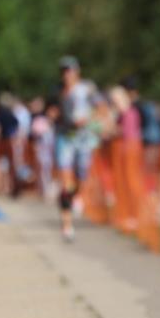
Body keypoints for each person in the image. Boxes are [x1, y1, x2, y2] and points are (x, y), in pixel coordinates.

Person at [55, 56, 99, 241]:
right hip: (65, 138)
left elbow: (101, 107)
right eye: (63, 71)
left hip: (83, 140)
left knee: (81, 179)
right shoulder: (58, 92)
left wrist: (90, 120)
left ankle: (73, 197)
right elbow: (53, 112)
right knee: (66, 181)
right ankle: (67, 226)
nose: (67, 74)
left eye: (69, 70)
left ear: (77, 71)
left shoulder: (86, 89)